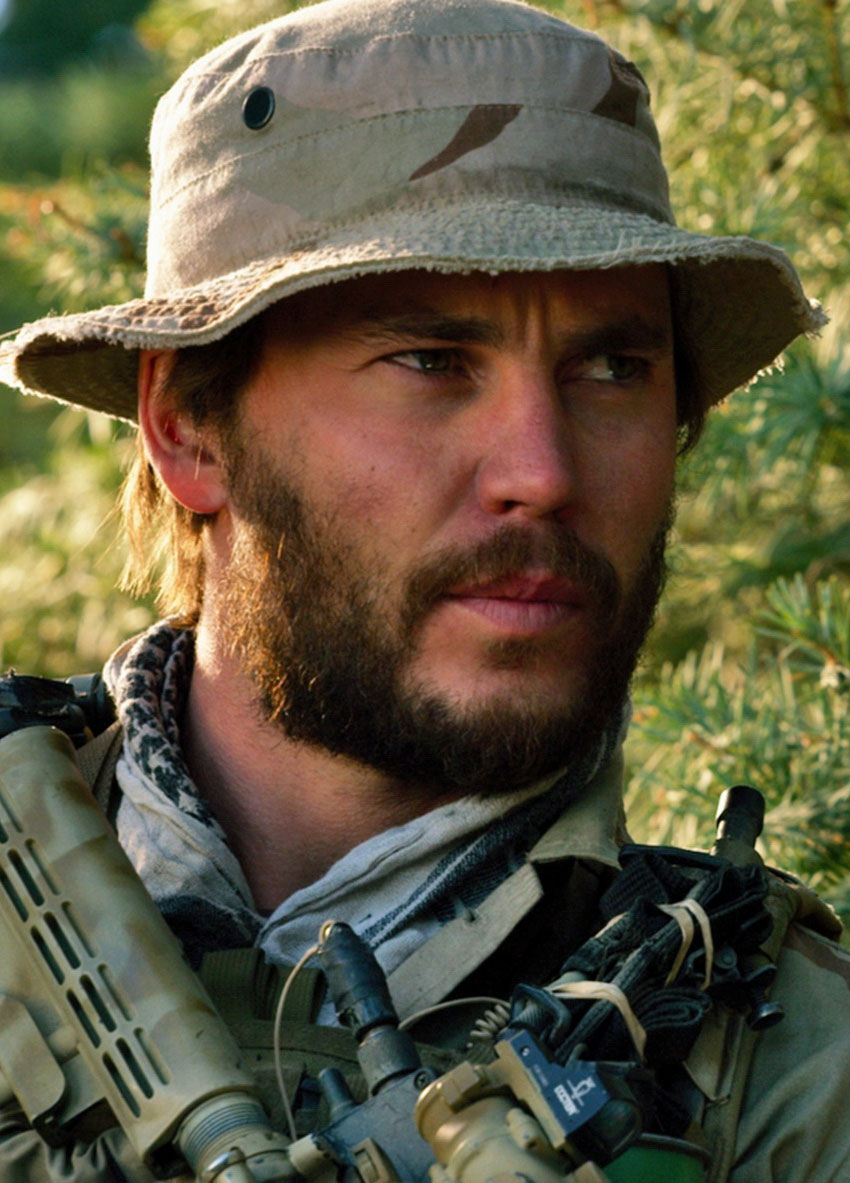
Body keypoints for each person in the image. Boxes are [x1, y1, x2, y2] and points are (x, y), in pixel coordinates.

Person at [0, 0, 848, 1179]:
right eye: (431, 362)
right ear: (187, 425)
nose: (542, 473)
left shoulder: (797, 1073)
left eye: (613, 367)